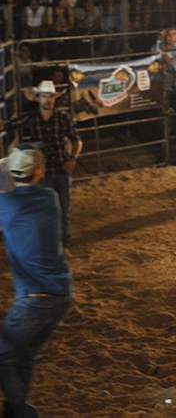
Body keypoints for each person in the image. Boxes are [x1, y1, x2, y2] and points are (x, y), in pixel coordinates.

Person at [0, 144, 73, 418]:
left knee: (3, 355)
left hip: (33, 301)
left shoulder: (6, 204)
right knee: (23, 353)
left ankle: (21, 410)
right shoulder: (49, 198)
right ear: (39, 172)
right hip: (60, 296)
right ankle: (16, 409)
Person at [1, 80, 81, 245]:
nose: (48, 100)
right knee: (52, 209)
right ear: (37, 98)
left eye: (50, 96)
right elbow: (7, 125)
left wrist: (73, 158)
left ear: (54, 98)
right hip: (42, 173)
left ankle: (63, 242)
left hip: (58, 169)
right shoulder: (31, 118)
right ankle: (56, 242)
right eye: (44, 96)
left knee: (63, 209)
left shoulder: (62, 117)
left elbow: (76, 140)